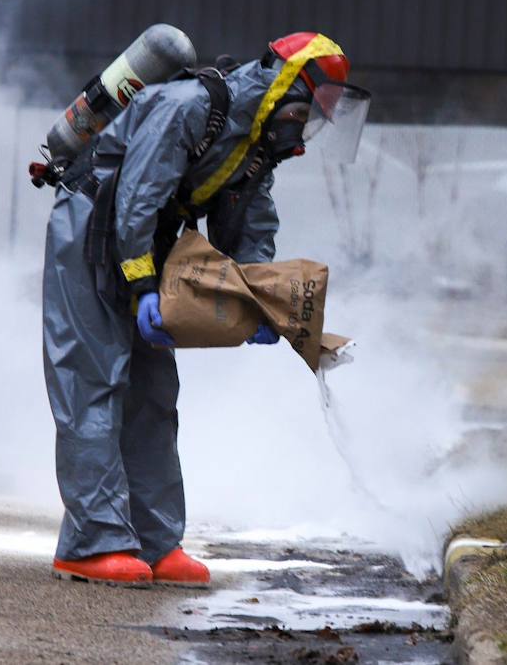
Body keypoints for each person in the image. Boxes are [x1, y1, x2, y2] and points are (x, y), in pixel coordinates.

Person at [42, 32, 370, 588]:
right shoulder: (189, 107)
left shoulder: (254, 142)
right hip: (92, 227)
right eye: (314, 111)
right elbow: (136, 199)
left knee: (152, 395)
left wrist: (259, 297)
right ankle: (91, 543)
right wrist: (144, 287)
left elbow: (251, 222)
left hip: (144, 240)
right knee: (95, 382)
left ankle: (155, 543)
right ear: (288, 90)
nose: (310, 129)